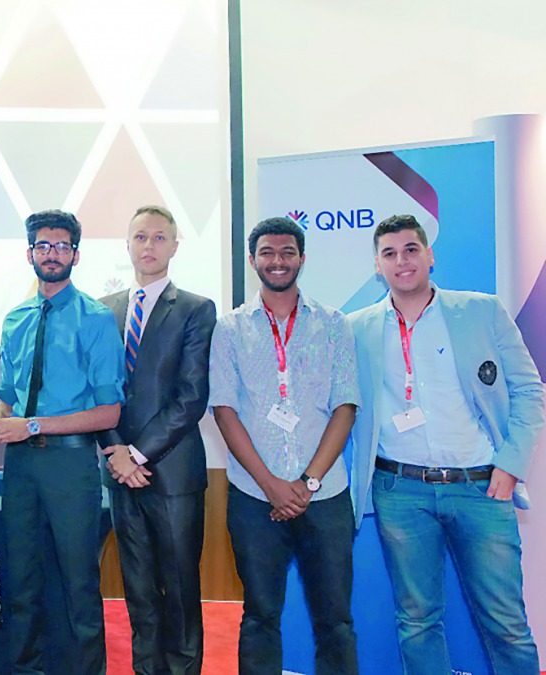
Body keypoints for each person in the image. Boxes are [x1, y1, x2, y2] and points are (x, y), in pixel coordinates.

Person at [348, 214, 543, 675]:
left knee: (506, 623)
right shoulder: (356, 328)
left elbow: (529, 390)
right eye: (390, 253)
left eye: (411, 249)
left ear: (430, 255)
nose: (402, 261)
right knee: (416, 621)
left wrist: (511, 465)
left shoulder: (481, 311)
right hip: (400, 493)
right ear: (377, 265)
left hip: (481, 488)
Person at [209, 217, 359, 675]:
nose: (278, 261)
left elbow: (346, 406)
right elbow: (224, 411)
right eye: (267, 253)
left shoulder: (333, 323)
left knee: (335, 620)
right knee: (260, 616)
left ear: (302, 259)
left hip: (326, 495)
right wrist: (271, 485)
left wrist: (307, 483)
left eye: (287, 252)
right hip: (254, 497)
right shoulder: (229, 328)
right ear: (252, 260)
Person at [0, 210, 124, 675]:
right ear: (30, 254)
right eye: (43, 246)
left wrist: (32, 426)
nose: (52, 254)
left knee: (79, 584)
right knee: (21, 582)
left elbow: (109, 412)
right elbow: (7, 398)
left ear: (76, 256)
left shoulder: (97, 319)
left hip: (71, 467)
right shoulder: (15, 320)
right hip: (21, 467)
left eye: (62, 246)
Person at [97, 206, 216, 675]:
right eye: (141, 237)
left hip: (173, 474)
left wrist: (136, 453)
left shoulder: (195, 309)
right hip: (119, 472)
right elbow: (97, 391)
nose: (149, 245)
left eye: (160, 237)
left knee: (180, 591)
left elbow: (191, 396)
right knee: (139, 592)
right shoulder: (103, 310)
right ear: (127, 245)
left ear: (175, 246)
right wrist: (116, 452)